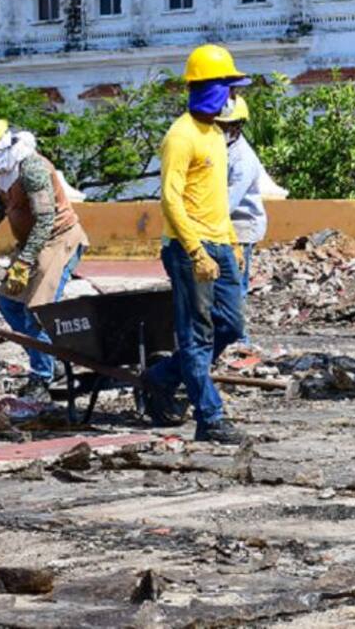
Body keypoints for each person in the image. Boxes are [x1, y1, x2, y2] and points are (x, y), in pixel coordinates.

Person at [142, 44, 250, 445]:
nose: (234, 98)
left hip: (220, 245)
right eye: (230, 89)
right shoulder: (181, 135)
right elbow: (171, 199)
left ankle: (161, 377)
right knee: (197, 335)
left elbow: (214, 197)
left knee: (232, 325)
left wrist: (231, 242)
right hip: (190, 249)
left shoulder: (215, 135)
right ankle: (211, 417)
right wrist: (195, 251)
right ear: (211, 89)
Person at [0, 114, 89, 404]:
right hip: (33, 242)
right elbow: (0, 202)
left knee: (37, 311)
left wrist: (24, 262)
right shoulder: (5, 170)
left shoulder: (31, 168)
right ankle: (50, 359)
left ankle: (42, 379)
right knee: (9, 303)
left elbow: (45, 221)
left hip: (58, 240)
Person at [215, 96, 283, 332]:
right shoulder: (221, 150)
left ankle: (239, 337)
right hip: (223, 225)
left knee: (235, 285)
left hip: (242, 227)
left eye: (226, 125)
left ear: (238, 125)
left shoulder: (242, 159)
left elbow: (227, 203)